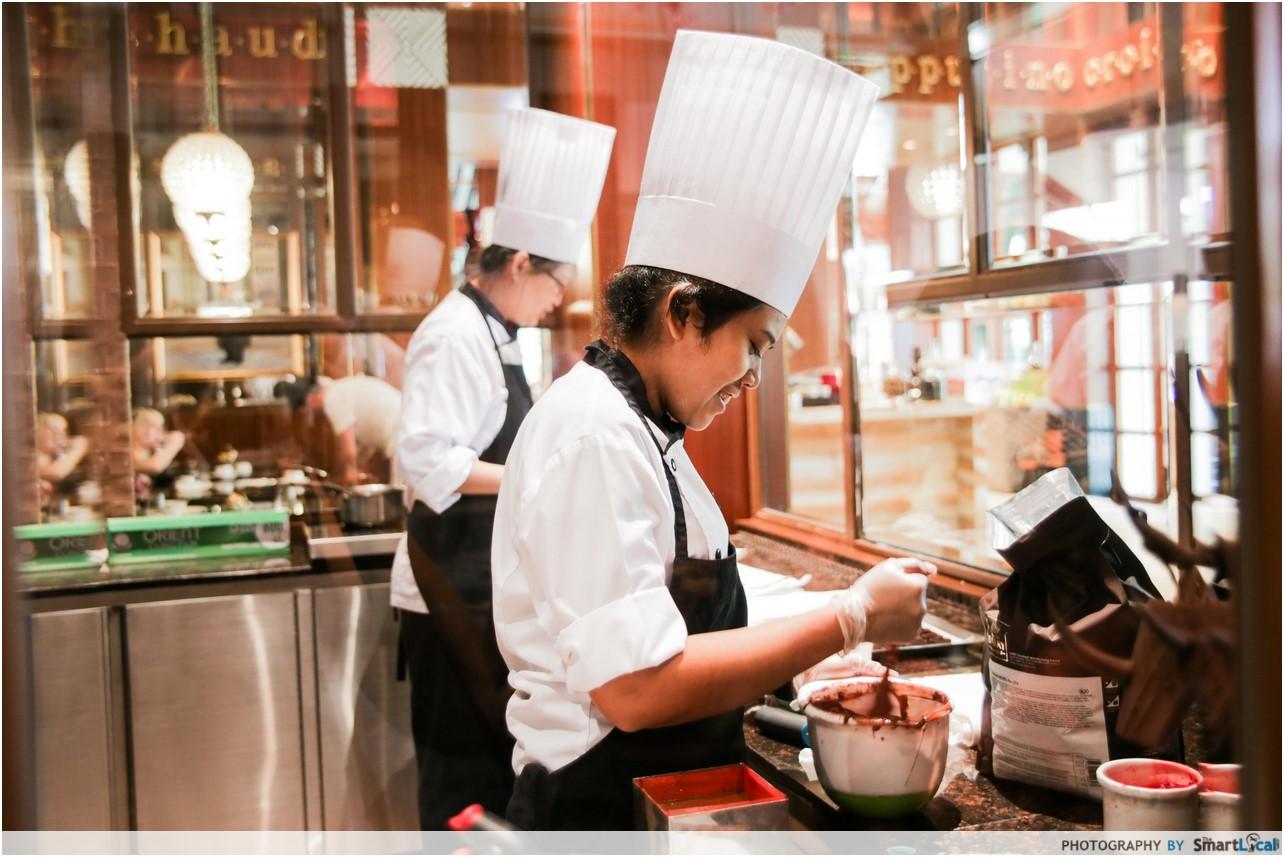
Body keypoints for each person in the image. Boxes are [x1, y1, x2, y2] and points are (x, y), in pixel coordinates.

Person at [490, 31, 935, 831]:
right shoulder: (594, 436)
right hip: (597, 808)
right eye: (753, 345)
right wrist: (851, 615)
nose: (753, 378)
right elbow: (635, 688)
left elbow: (679, 626)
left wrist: (807, 644)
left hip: (656, 792)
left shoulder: (649, 432)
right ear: (683, 311)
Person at [389, 108, 615, 829]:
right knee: (458, 776)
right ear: (519, 265)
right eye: (555, 284)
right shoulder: (454, 334)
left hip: (476, 581)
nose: (557, 301)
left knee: (488, 768)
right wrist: (531, 474)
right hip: (446, 587)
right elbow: (428, 462)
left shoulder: (498, 333)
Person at [276, 375, 402, 485]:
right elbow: (366, 439)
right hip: (402, 430)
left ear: (310, 399)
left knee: (402, 491)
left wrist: (350, 470)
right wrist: (360, 464)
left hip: (400, 437)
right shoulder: (340, 389)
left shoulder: (332, 398)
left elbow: (348, 446)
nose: (311, 411)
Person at [36, 411, 89, 495]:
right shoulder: (33, 457)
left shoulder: (52, 458)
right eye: (54, 431)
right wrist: (78, 449)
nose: (61, 437)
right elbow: (55, 473)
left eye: (64, 432)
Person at [132, 408, 185, 477]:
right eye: (153, 426)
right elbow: (155, 466)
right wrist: (175, 443)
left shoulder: (148, 453)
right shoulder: (128, 454)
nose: (160, 431)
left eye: (161, 427)